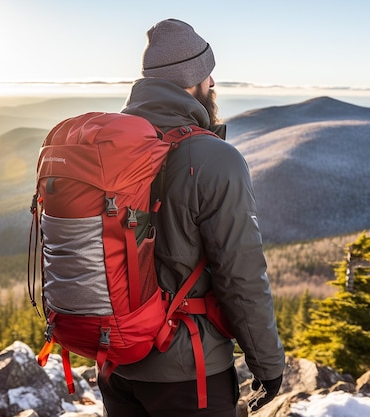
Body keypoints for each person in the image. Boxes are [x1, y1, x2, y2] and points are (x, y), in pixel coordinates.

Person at [97, 18, 285, 417]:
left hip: (116, 365)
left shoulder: (109, 149)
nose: (212, 83)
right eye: (205, 73)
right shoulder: (215, 158)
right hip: (188, 372)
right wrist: (268, 365)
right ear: (193, 81)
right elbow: (241, 274)